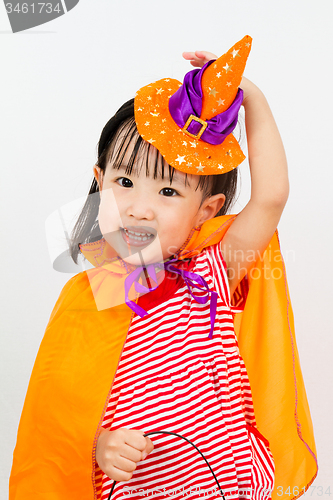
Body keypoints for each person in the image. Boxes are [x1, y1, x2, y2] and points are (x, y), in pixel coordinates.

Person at [9, 36, 317, 500]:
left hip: (226, 487)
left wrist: (252, 97)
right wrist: (98, 445)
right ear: (99, 183)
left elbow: (271, 195)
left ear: (206, 210)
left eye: (168, 193)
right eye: (125, 181)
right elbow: (60, 410)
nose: (138, 209)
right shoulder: (91, 288)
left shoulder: (216, 269)